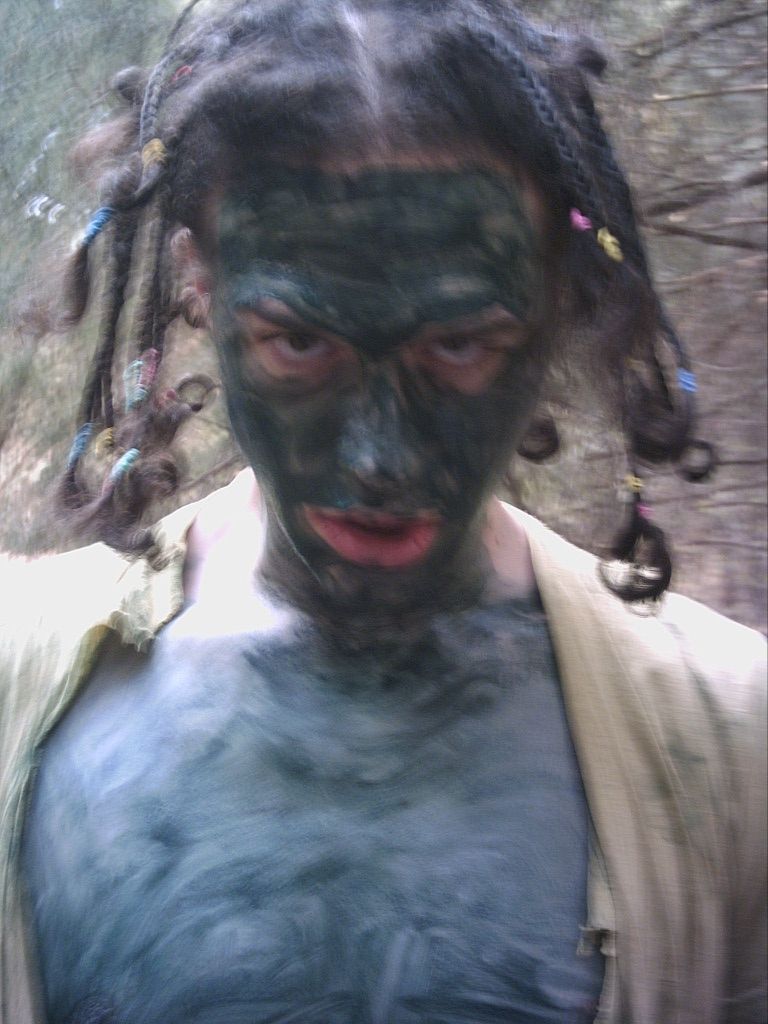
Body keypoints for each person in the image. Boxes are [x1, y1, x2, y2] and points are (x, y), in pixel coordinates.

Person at [1, 2, 765, 1022]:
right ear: (200, 284)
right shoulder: (16, 683)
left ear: (557, 299)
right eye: (299, 343)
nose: (380, 460)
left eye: (459, 347)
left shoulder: (731, 740)